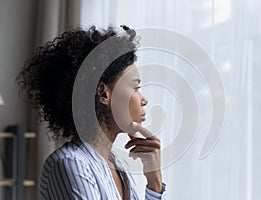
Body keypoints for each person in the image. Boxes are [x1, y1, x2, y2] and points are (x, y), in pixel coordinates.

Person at [17, 25, 166, 200]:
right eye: (135, 87)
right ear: (104, 93)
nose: (143, 100)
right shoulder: (71, 163)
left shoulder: (118, 166)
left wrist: (154, 182)